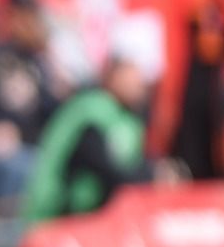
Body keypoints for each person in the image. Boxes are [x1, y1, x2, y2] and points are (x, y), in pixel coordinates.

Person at [23, 54, 179, 221]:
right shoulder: (90, 114)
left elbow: (131, 163)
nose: (139, 87)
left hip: (88, 216)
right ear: (113, 77)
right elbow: (108, 169)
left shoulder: (127, 116)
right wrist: (153, 176)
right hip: (58, 218)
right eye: (132, 79)